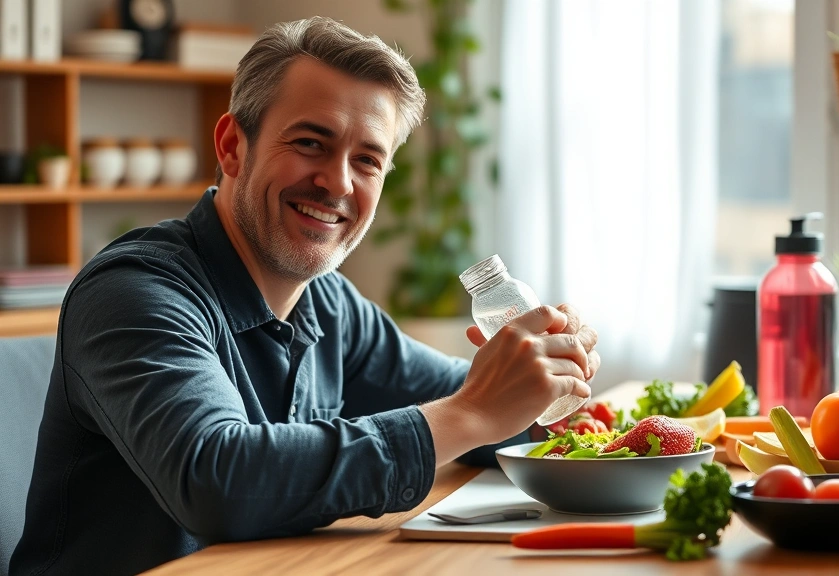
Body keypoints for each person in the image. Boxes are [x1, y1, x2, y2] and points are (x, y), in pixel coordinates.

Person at [10, 17, 598, 576]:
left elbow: (469, 399)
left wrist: (547, 389)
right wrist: (473, 413)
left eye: (367, 160)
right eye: (312, 143)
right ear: (233, 146)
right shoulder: (135, 291)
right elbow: (217, 479)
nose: (338, 182)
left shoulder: (331, 305)